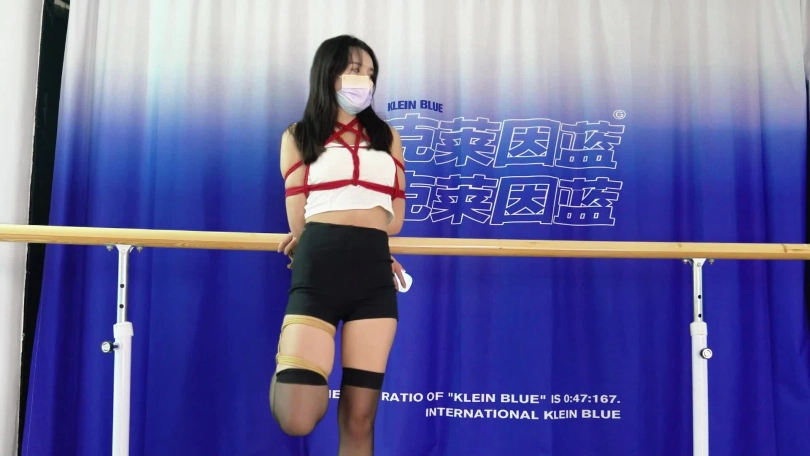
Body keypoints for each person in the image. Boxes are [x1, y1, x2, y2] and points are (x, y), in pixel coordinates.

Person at [270, 35, 407, 456]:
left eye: (370, 72)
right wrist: (323, 236)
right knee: (296, 415)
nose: (364, 79)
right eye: (354, 69)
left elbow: (396, 217)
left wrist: (371, 243)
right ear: (328, 73)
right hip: (319, 267)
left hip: (373, 273)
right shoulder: (299, 134)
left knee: (359, 419)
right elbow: (299, 219)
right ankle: (292, 359)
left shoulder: (387, 136)